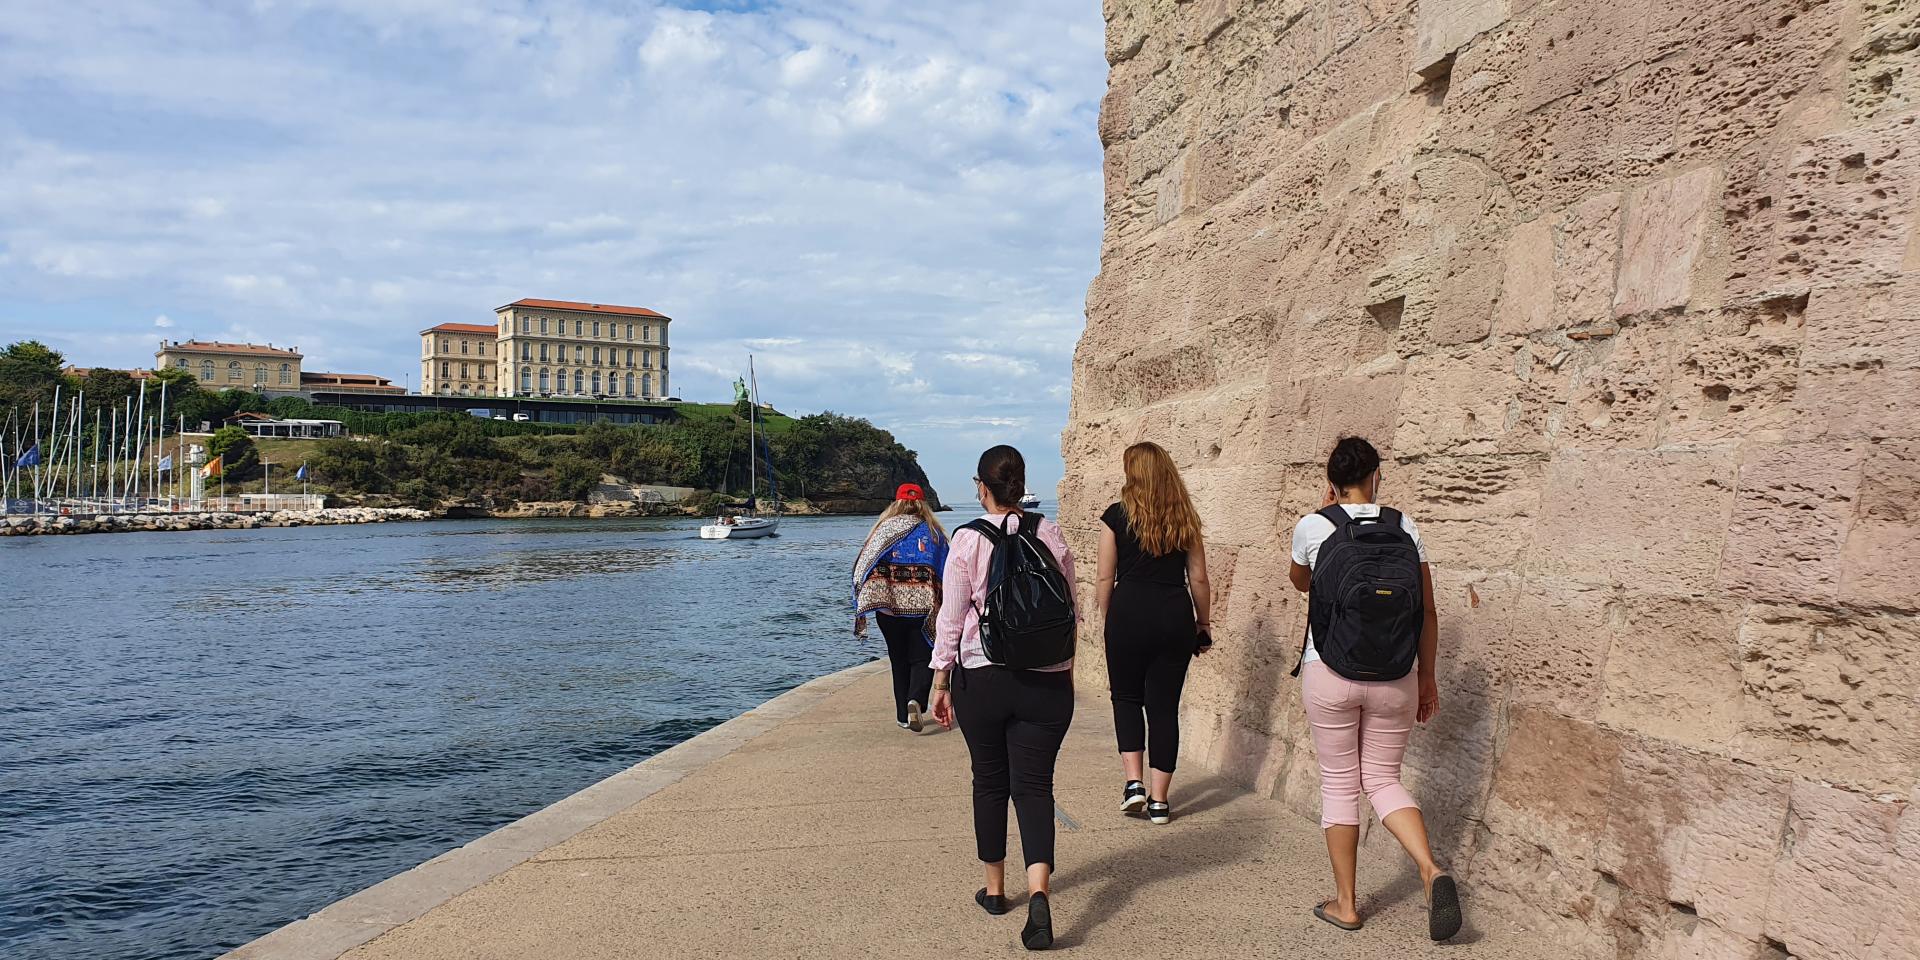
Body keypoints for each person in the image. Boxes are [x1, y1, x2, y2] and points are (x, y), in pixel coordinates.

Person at [1287, 436, 1461, 941]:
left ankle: (1346, 904)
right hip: (1396, 677)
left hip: (1330, 672)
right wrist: (1426, 677)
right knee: (1384, 779)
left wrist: (1324, 521)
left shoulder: (1313, 525)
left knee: (1340, 783)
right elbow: (1427, 610)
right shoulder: (1404, 525)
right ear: (1377, 476)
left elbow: (1303, 583)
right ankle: (1430, 870)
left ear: (1330, 481)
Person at [929, 445, 1075, 951]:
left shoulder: (967, 539)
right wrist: (1065, 671)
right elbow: (1070, 610)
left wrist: (940, 681)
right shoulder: (1048, 531)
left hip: (983, 677)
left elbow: (951, 617)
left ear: (981, 486)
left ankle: (995, 891)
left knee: (989, 781)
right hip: (1046, 679)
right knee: (1034, 786)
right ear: (1022, 484)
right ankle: (1039, 892)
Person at [1095, 441, 1210, 825]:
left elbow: (1104, 576)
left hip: (1128, 611)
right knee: (1163, 709)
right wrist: (1203, 624)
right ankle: (1160, 801)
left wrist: (1109, 618)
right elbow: (1198, 578)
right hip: (1173, 614)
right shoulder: (1186, 517)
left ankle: (1133, 784)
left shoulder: (1116, 516)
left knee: (1126, 698)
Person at [853, 482, 949, 731]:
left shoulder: (882, 530)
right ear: (923, 504)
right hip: (923, 609)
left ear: (896, 503)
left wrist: (861, 600)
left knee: (898, 660)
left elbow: (861, 568)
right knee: (924, 656)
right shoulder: (933, 533)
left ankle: (902, 716)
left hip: (888, 610)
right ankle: (915, 699)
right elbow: (948, 569)